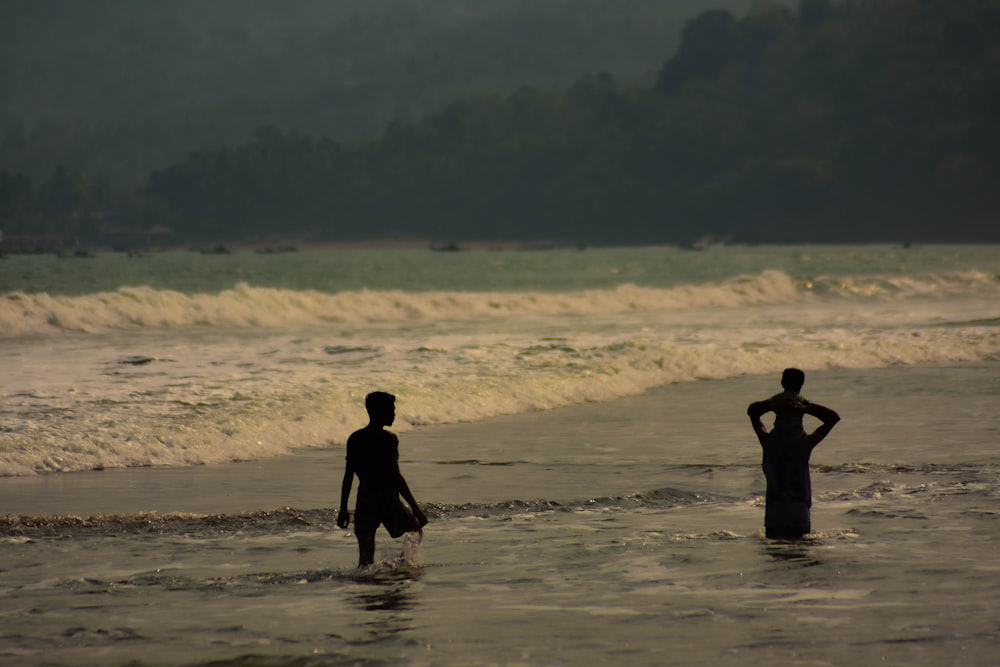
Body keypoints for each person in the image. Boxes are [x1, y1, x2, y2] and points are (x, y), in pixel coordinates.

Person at [337, 391, 428, 568]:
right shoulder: (388, 439)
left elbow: (348, 476)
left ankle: (366, 588)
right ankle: (402, 566)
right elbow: (396, 477)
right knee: (415, 531)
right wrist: (416, 508)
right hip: (387, 499)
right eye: (391, 410)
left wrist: (343, 508)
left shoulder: (355, 438)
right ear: (379, 411)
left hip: (364, 499)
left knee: (365, 560)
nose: (394, 414)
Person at [747, 368, 840, 539]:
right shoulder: (806, 442)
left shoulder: (768, 441)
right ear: (802, 385)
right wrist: (805, 407)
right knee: (801, 557)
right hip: (799, 514)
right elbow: (832, 418)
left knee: (775, 558)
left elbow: (753, 412)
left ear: (782, 383)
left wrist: (772, 404)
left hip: (775, 515)